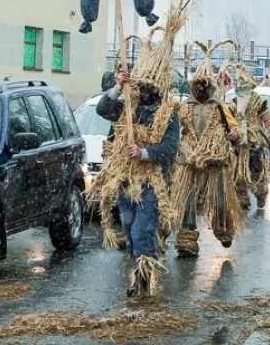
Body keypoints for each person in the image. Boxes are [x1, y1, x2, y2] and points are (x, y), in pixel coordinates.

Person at [96, 69, 179, 295]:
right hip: (127, 178)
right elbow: (102, 109)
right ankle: (139, 265)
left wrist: (143, 152)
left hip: (151, 181)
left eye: (149, 87)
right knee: (128, 226)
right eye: (141, 87)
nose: (144, 91)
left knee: (143, 229)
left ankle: (142, 280)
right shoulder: (128, 108)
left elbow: (171, 147)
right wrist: (117, 87)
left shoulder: (168, 113)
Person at [172, 44, 242, 258]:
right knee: (188, 200)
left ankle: (223, 229)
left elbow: (235, 129)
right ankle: (187, 240)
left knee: (219, 199)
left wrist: (235, 136)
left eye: (204, 86)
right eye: (197, 86)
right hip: (190, 161)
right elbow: (176, 129)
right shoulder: (185, 107)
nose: (201, 90)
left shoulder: (220, 107)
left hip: (214, 162)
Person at [229, 66, 270, 210]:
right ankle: (243, 200)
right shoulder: (234, 102)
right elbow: (228, 120)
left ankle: (261, 195)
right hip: (239, 144)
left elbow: (268, 120)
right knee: (238, 175)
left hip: (255, 144)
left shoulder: (259, 101)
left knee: (258, 175)